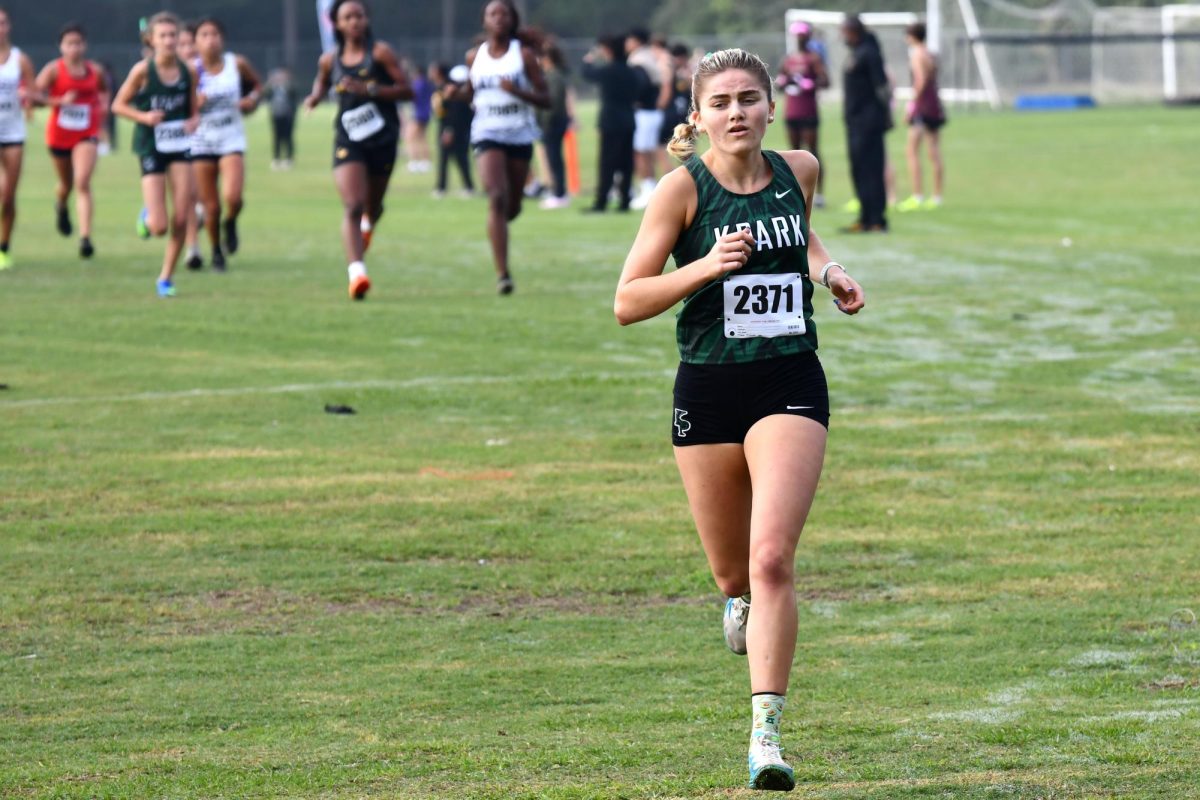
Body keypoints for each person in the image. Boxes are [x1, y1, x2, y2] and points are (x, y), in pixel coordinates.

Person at [612, 48, 865, 792]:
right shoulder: (679, 192)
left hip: (789, 378)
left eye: (749, 99)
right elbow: (627, 300)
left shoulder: (802, 170)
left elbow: (802, 236)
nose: (736, 113)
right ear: (698, 114)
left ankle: (765, 736)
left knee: (772, 559)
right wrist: (705, 267)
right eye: (720, 102)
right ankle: (738, 605)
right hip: (710, 388)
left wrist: (828, 271)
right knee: (733, 572)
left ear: (771, 105)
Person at [303, 0, 410, 301]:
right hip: (349, 140)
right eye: (347, 17)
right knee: (352, 204)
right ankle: (357, 274)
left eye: (358, 16)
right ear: (336, 23)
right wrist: (314, 98)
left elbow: (407, 90)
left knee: (372, 207)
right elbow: (322, 83)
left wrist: (371, 90)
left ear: (367, 19)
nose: (354, 21)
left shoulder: (380, 54)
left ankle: (370, 221)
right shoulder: (330, 59)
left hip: (383, 140)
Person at [111, 11, 200, 297]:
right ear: (151, 39)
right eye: (163, 36)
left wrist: (193, 120)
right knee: (159, 226)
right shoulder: (142, 71)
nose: (169, 41)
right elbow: (118, 106)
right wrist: (145, 117)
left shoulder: (189, 71)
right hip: (151, 146)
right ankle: (148, 215)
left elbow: (193, 108)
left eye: (173, 35)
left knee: (183, 216)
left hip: (180, 147)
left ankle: (166, 278)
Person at [463, 0, 549, 295]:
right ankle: (503, 274)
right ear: (484, 20)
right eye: (492, 13)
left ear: (512, 20)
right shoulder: (474, 56)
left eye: (504, 13)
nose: (498, 18)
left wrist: (518, 92)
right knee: (496, 197)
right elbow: (470, 94)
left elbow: (546, 98)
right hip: (486, 133)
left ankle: (503, 215)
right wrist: (455, 93)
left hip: (519, 135)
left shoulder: (522, 55)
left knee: (510, 206)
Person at [191, 17, 262, 272]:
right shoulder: (190, 70)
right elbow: (180, 107)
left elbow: (257, 87)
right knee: (211, 206)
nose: (211, 40)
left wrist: (251, 101)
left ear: (223, 38)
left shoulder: (236, 63)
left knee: (233, 197)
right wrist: (194, 104)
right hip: (201, 141)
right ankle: (216, 251)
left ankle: (230, 222)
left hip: (231, 137)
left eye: (215, 34)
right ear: (196, 41)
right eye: (205, 35)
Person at [36, 22, 109, 259]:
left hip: (86, 134)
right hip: (59, 135)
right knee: (66, 184)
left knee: (82, 181)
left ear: (84, 45)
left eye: (78, 43)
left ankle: (85, 238)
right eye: (69, 43)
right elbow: (35, 97)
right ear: (61, 47)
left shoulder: (94, 70)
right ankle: (61, 206)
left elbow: (104, 89)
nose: (74, 48)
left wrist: (103, 106)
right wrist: (59, 102)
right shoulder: (53, 70)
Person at [840, 15, 891, 233]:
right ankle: (865, 217)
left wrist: (885, 116)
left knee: (872, 170)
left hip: (868, 123)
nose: (842, 36)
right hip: (855, 123)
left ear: (853, 31)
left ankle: (877, 219)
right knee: (858, 169)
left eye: (845, 32)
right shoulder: (857, 52)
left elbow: (882, 87)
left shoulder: (869, 52)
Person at [776, 21, 829, 209]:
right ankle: (796, 192)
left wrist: (811, 84)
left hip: (808, 110)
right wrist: (783, 82)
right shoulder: (788, 59)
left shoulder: (813, 58)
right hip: (792, 111)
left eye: (802, 34)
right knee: (793, 154)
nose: (799, 37)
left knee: (812, 152)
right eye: (796, 34)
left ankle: (819, 194)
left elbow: (826, 80)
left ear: (808, 36)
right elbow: (779, 81)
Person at [580, 35, 635, 213]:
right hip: (628, 120)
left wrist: (588, 60)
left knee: (607, 163)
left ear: (609, 50)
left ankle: (601, 201)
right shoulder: (630, 72)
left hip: (611, 122)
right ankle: (625, 199)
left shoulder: (608, 71)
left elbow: (587, 73)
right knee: (626, 163)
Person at [0, 7, 35, 270]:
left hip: (13, 133)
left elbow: (34, 94)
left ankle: (4, 247)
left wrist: (30, 100)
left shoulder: (19, 60)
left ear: (9, 26)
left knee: (9, 197)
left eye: (2, 23)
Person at [898, 22, 946, 212]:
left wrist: (912, 106)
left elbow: (921, 80)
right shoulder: (929, 53)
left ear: (911, 36)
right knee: (934, 151)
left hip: (923, 107)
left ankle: (917, 195)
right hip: (934, 105)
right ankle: (937, 196)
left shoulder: (917, 54)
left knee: (911, 150)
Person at [625, 28, 671, 210]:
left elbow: (641, 84)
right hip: (651, 112)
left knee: (641, 152)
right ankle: (649, 188)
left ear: (636, 41)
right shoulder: (649, 56)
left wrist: (633, 98)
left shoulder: (639, 59)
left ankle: (648, 188)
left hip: (645, 111)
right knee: (647, 151)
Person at [536, 41, 570, 210]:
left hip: (553, 124)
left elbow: (553, 102)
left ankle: (559, 194)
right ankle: (558, 192)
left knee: (554, 158)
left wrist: (545, 122)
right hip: (553, 123)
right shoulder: (551, 75)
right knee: (553, 158)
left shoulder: (553, 76)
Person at [431, 62, 474, 197]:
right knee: (448, 159)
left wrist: (449, 129)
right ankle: (443, 187)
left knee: (460, 158)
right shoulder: (451, 92)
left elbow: (455, 113)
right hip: (453, 129)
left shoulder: (458, 94)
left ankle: (466, 186)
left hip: (455, 129)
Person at [264, 67, 297, 170]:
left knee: (288, 137)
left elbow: (294, 96)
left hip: (288, 116)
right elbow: (265, 94)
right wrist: (270, 83)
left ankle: (289, 158)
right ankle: (276, 159)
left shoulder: (289, 87)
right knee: (276, 138)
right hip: (276, 115)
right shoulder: (272, 88)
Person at [405, 60, 433, 173]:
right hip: (426, 113)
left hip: (417, 114)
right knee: (422, 138)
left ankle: (414, 162)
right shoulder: (427, 84)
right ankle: (425, 162)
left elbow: (412, 97)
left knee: (410, 138)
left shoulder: (417, 84)